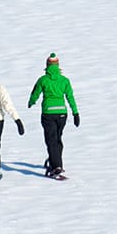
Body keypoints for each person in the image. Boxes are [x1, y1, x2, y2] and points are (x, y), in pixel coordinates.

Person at [27, 52, 79, 180]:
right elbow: (70, 97)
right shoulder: (64, 80)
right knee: (57, 139)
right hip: (62, 113)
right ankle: (55, 161)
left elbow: (35, 93)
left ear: (47, 65)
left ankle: (56, 167)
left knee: (51, 141)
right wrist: (75, 112)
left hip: (48, 113)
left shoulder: (43, 80)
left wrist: (31, 102)